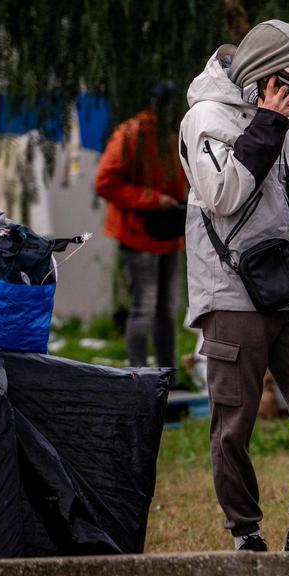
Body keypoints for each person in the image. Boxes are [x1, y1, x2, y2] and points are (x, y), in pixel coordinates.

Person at [179, 19, 289, 552]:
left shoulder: (279, 116)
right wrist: (266, 124)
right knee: (234, 422)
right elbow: (226, 194)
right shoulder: (204, 119)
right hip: (231, 292)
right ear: (262, 75)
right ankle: (246, 534)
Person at [94, 80, 188, 370]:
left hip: (168, 233)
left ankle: (167, 375)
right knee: (144, 307)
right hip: (138, 232)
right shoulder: (132, 134)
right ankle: (138, 375)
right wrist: (152, 199)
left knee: (167, 308)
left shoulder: (176, 134)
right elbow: (105, 183)